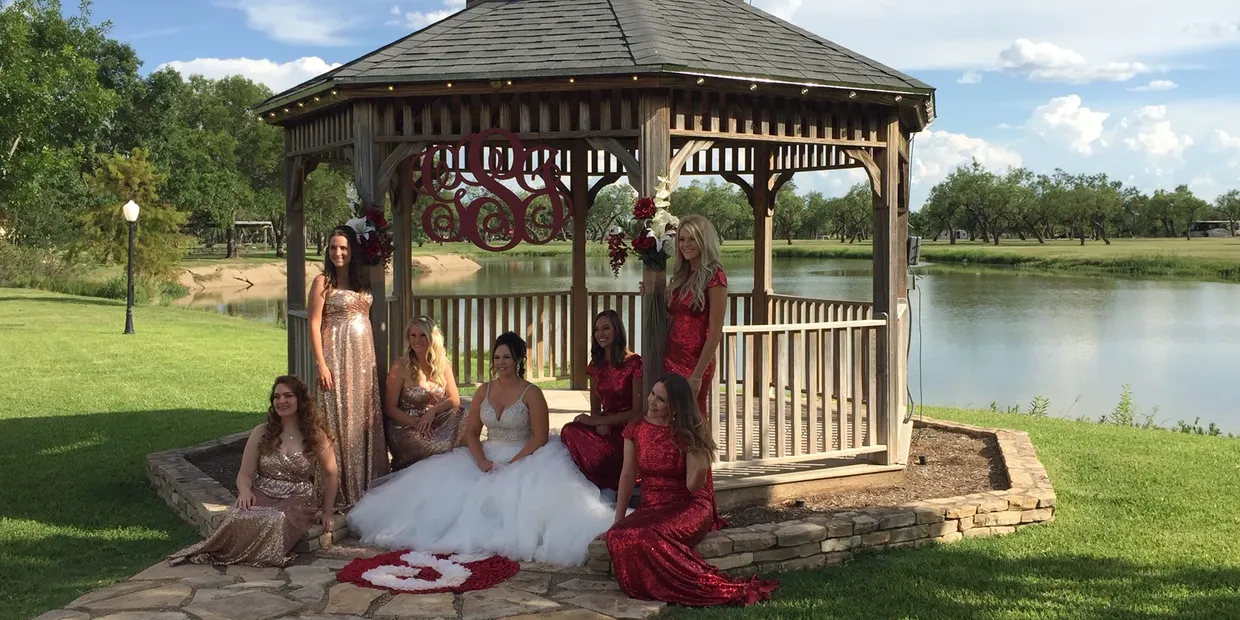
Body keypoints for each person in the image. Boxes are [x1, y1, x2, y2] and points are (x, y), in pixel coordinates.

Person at [347, 332, 618, 566]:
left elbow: (539, 437)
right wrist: (480, 461)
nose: (501, 363)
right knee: (446, 499)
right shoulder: (484, 391)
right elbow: (473, 433)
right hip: (486, 454)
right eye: (497, 357)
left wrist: (514, 463)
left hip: (527, 456)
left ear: (519, 360)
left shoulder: (532, 393)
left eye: (507, 357)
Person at [607, 374, 779, 606]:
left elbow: (692, 486)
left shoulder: (688, 433)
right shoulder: (636, 427)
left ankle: (704, 587)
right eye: (652, 394)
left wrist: (700, 459)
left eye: (661, 400)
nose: (652, 402)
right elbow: (628, 474)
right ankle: (649, 588)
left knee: (647, 536)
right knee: (618, 536)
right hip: (652, 506)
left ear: (676, 406)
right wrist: (617, 520)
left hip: (689, 505)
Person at [169, 376, 339, 568]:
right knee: (236, 516)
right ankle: (228, 554)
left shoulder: (315, 434)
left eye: (288, 396)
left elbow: (331, 474)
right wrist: (245, 492)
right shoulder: (262, 432)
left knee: (276, 519)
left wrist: (326, 512)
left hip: (298, 496)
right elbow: (244, 475)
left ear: (300, 399)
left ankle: (262, 555)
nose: (281, 401)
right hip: (263, 490)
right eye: (276, 397)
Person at [307, 225, 387, 510]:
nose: (338, 253)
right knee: (338, 419)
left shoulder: (362, 281)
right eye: (333, 248)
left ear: (353, 251)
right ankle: (339, 488)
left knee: (363, 416)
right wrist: (321, 363)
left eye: (343, 247)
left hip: (362, 359)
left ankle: (367, 484)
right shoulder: (322, 282)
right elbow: (314, 324)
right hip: (336, 356)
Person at [561, 310, 643, 491]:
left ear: (617, 330)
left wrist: (599, 420)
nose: (600, 334)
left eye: (606, 328)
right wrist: (597, 421)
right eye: (597, 330)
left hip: (628, 429)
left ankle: (610, 476)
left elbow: (638, 412)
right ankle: (592, 477)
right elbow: (595, 408)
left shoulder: (635, 363)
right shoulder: (596, 365)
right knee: (569, 431)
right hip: (605, 426)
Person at [383, 316, 468, 472]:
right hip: (406, 426)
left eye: (422, 335)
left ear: (432, 338)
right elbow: (390, 408)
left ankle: (464, 473)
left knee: (466, 418)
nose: (417, 340)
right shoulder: (400, 366)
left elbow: (454, 399)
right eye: (413, 335)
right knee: (440, 447)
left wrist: (432, 411)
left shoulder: (443, 364)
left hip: (432, 420)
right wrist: (416, 423)